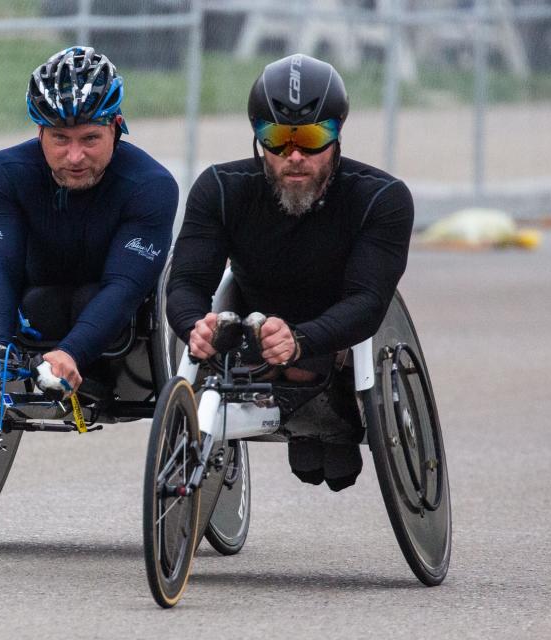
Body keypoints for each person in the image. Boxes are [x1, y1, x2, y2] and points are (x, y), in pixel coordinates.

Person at [165, 54, 414, 492]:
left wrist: (299, 341)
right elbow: (186, 282)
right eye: (277, 139)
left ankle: (329, 414)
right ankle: (299, 408)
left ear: (337, 134)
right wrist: (193, 326)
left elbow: (369, 300)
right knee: (228, 342)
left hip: (332, 329)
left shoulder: (383, 199)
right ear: (258, 136)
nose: (294, 156)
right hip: (252, 319)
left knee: (303, 369)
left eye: (312, 138)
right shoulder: (220, 189)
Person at [0, 46, 178, 394]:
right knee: (41, 304)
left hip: (113, 325)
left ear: (116, 126)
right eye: (60, 139)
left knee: (87, 298)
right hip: (37, 307)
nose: (75, 156)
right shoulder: (2, 174)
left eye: (90, 139)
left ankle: (91, 373)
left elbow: (124, 287)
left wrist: (71, 351)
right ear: (40, 133)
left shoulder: (151, 185)